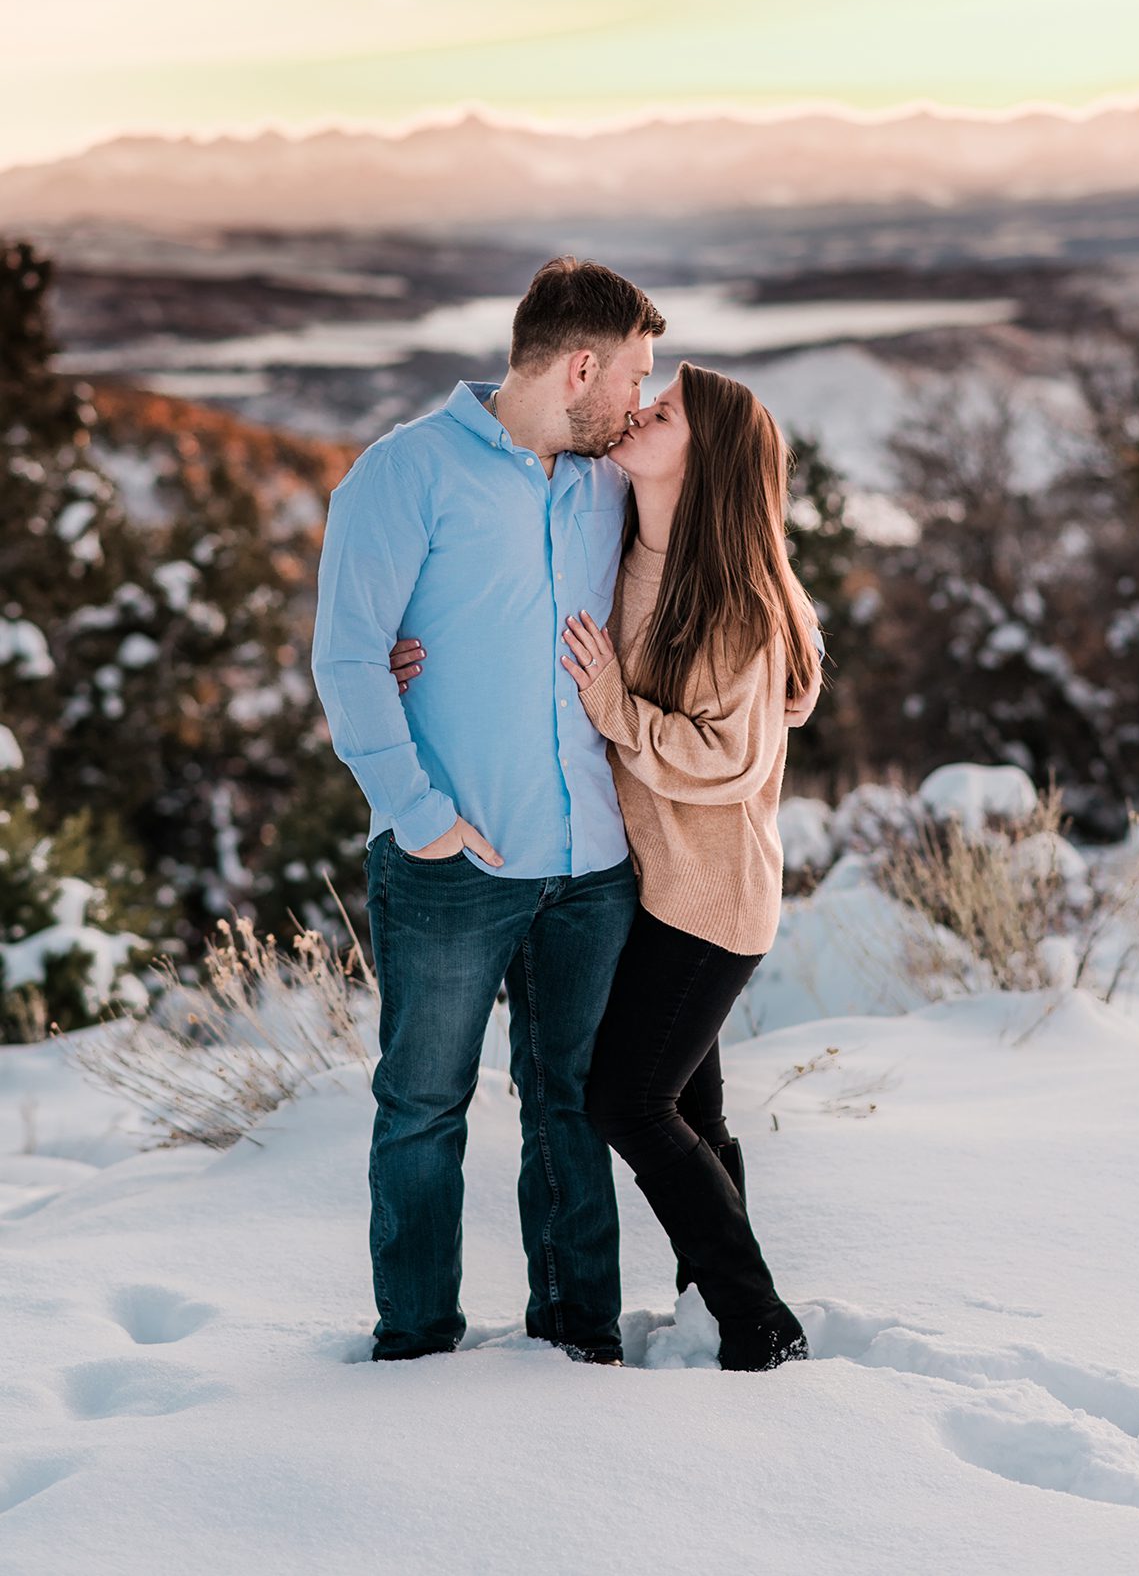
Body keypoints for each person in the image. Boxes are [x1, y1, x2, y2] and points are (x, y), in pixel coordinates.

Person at [312, 256, 665, 1364]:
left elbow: (719, 570)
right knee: (425, 1104)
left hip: (591, 864)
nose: (642, 401)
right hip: (453, 860)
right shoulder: (403, 472)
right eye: (635, 375)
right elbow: (350, 655)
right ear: (579, 366)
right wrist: (416, 811)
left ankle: (577, 1338)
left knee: (572, 1105)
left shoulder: (611, 483)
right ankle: (416, 1344)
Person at [558, 360, 825, 1371]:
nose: (639, 411)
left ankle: (757, 1315)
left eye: (661, 410)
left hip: (712, 902)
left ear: (702, 456)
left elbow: (729, 761)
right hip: (653, 887)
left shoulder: (736, 604)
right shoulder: (626, 540)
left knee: (626, 1101)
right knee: (691, 1111)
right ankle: (713, 1310)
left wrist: (615, 707)